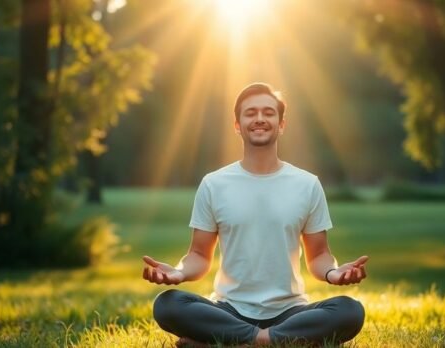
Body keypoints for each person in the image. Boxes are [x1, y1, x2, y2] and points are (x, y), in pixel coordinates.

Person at [142, 82, 367, 346]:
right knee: (168, 305)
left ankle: (232, 342)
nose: (259, 119)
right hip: (228, 310)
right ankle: (275, 342)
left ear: (281, 124)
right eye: (250, 113)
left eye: (268, 112)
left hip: (290, 311)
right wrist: (178, 273)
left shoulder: (307, 184)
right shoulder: (214, 184)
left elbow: (318, 256)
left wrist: (333, 272)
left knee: (350, 311)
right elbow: (199, 255)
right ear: (237, 125)